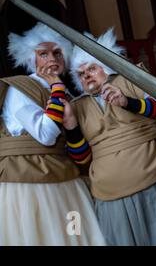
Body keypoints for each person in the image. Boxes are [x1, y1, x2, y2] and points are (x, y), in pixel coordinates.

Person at [62, 28, 156, 245]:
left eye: (91, 68)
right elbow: (81, 159)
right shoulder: (77, 106)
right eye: (81, 74)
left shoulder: (130, 78)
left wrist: (129, 103)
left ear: (106, 65)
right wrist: (71, 126)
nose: (86, 75)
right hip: (111, 196)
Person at [0, 22, 105, 245]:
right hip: (28, 181)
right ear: (32, 59)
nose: (52, 59)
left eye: (57, 53)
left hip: (63, 176)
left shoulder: (66, 94)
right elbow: (45, 135)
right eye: (43, 53)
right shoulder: (20, 88)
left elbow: (78, 151)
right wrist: (57, 87)